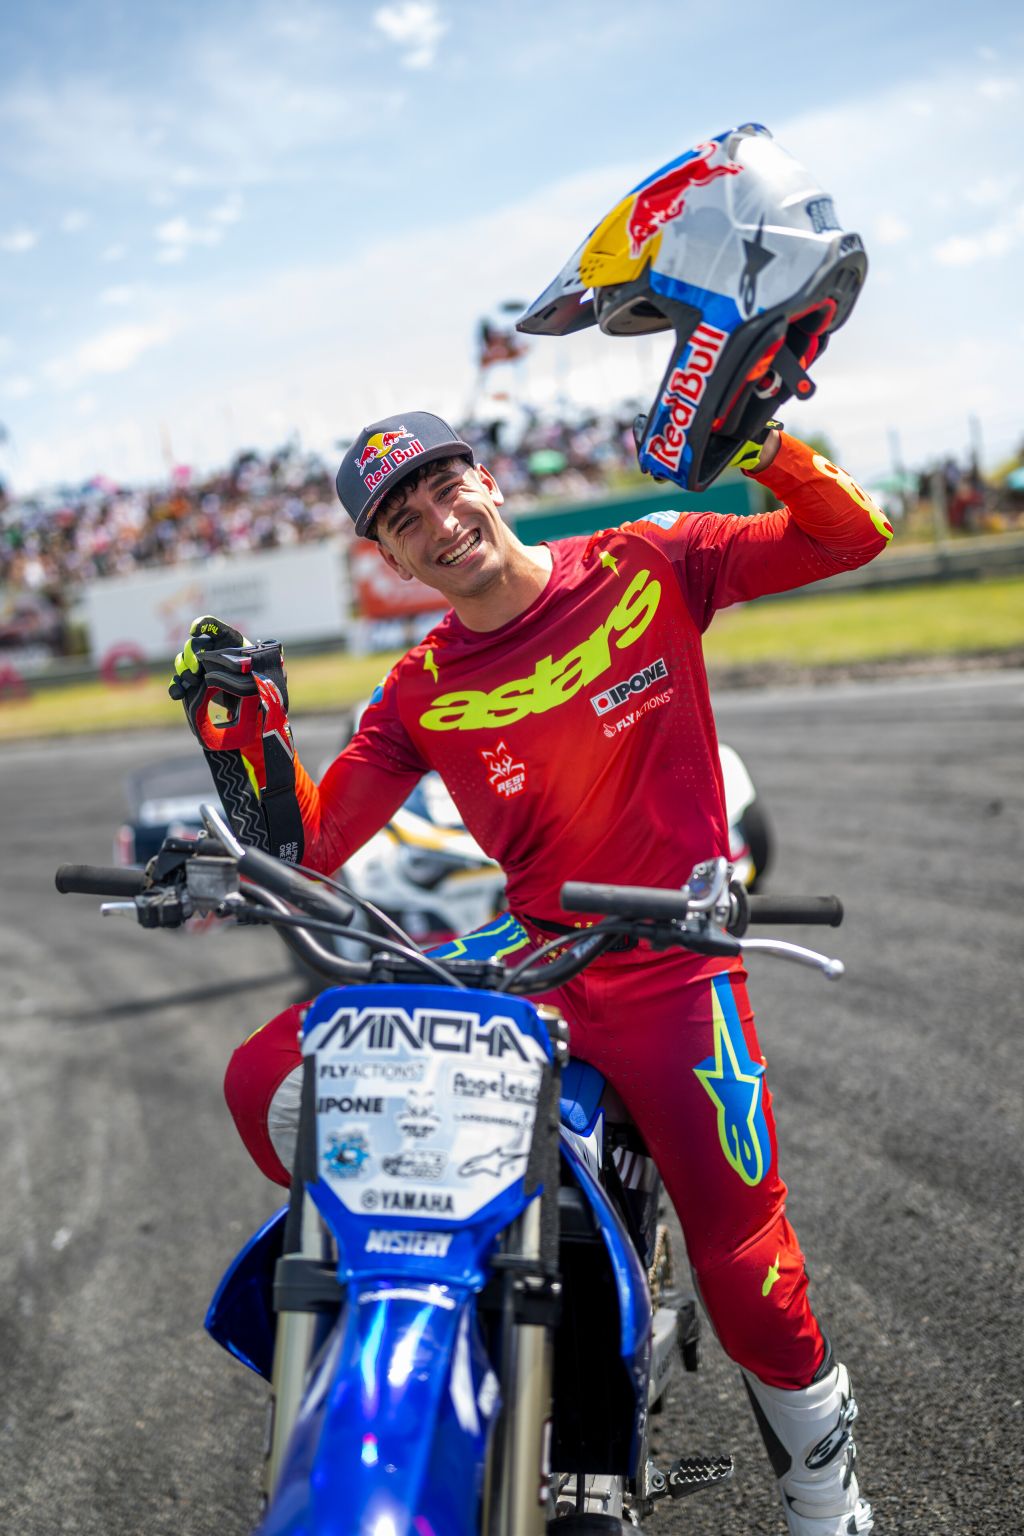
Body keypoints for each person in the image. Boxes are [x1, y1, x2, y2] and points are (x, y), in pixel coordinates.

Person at [170, 128, 890, 1535]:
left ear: (486, 480)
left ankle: (828, 1499)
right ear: (389, 558)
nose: (436, 520)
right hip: (533, 960)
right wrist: (242, 746)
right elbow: (311, 847)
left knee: (751, 1271)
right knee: (266, 1077)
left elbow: (849, 537)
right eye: (401, 518)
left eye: (442, 484)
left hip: (674, 969)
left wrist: (763, 445)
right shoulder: (418, 687)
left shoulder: (651, 560)